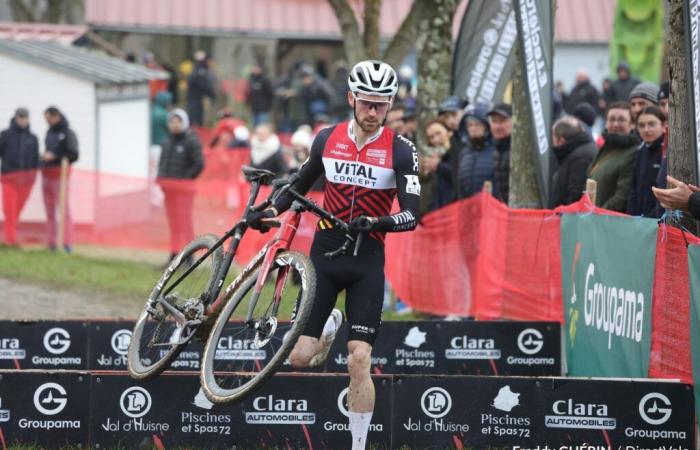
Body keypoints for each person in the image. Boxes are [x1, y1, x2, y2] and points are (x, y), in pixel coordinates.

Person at [246, 60, 419, 450]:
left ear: (390, 105)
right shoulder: (327, 138)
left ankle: (357, 445)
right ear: (351, 99)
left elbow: (411, 214)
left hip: (367, 259)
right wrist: (269, 211)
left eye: (381, 104)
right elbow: (297, 186)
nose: (373, 112)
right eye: (366, 103)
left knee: (359, 358)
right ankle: (327, 327)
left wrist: (376, 221)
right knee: (299, 359)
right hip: (323, 256)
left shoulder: (402, 150)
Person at [157, 109, 204, 263]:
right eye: (171, 122)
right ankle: (174, 254)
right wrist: (161, 179)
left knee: (185, 222)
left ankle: (189, 257)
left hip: (184, 192)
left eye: (177, 121)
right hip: (169, 191)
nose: (174, 125)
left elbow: (199, 164)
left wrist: (184, 180)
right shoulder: (167, 142)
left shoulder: (192, 141)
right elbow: (163, 164)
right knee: (173, 223)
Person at [587, 102, 639, 212]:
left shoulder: (633, 152)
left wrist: (598, 214)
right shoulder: (605, 147)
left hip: (608, 221)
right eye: (611, 119)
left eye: (621, 120)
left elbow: (622, 196)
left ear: (632, 125)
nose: (615, 124)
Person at [0, 108, 39, 246]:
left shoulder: (33, 139)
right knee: (10, 210)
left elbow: (35, 160)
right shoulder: (5, 135)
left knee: (17, 210)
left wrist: (33, 177)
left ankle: (10, 235)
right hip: (9, 179)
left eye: (25, 117)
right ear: (15, 118)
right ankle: (11, 240)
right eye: (20, 117)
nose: (22, 120)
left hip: (26, 182)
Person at [42, 107, 79, 252]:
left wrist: (55, 157)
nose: (47, 121)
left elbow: (74, 154)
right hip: (47, 174)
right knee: (50, 209)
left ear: (55, 116)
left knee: (64, 210)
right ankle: (52, 242)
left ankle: (67, 243)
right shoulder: (49, 132)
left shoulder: (68, 133)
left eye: (48, 118)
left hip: (61, 175)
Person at [549, 116, 597, 208]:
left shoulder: (580, 158)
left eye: (553, 140)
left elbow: (575, 196)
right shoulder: (578, 152)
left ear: (561, 141)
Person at [628, 106, 666, 218]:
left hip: (657, 220)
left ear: (663, 125)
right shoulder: (641, 150)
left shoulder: (667, 152)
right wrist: (632, 214)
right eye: (641, 125)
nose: (646, 129)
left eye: (651, 124)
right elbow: (634, 186)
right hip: (640, 220)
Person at [454, 102, 496, 199]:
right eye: (470, 125)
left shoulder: (496, 149)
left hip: (492, 209)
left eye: (477, 124)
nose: (473, 128)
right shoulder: (464, 153)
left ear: (486, 125)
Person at [419, 117, 454, 213]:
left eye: (438, 133)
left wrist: (438, 166)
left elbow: (457, 175)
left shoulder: (457, 151)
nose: (436, 139)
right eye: (431, 137)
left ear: (449, 132)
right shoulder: (433, 157)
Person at [488, 103, 512, 203]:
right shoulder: (494, 149)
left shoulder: (520, 151)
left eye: (502, 121)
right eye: (494, 121)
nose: (497, 126)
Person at [186, 51, 216, 127]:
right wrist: (211, 95)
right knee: (196, 118)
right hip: (196, 98)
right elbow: (203, 84)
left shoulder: (203, 69)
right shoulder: (200, 70)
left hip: (199, 98)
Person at [246, 63, 274, 127]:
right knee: (255, 126)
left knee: (262, 126)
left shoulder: (265, 80)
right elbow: (248, 94)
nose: (255, 70)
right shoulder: (251, 79)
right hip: (253, 108)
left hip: (263, 109)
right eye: (254, 68)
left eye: (256, 68)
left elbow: (270, 94)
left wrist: (268, 106)